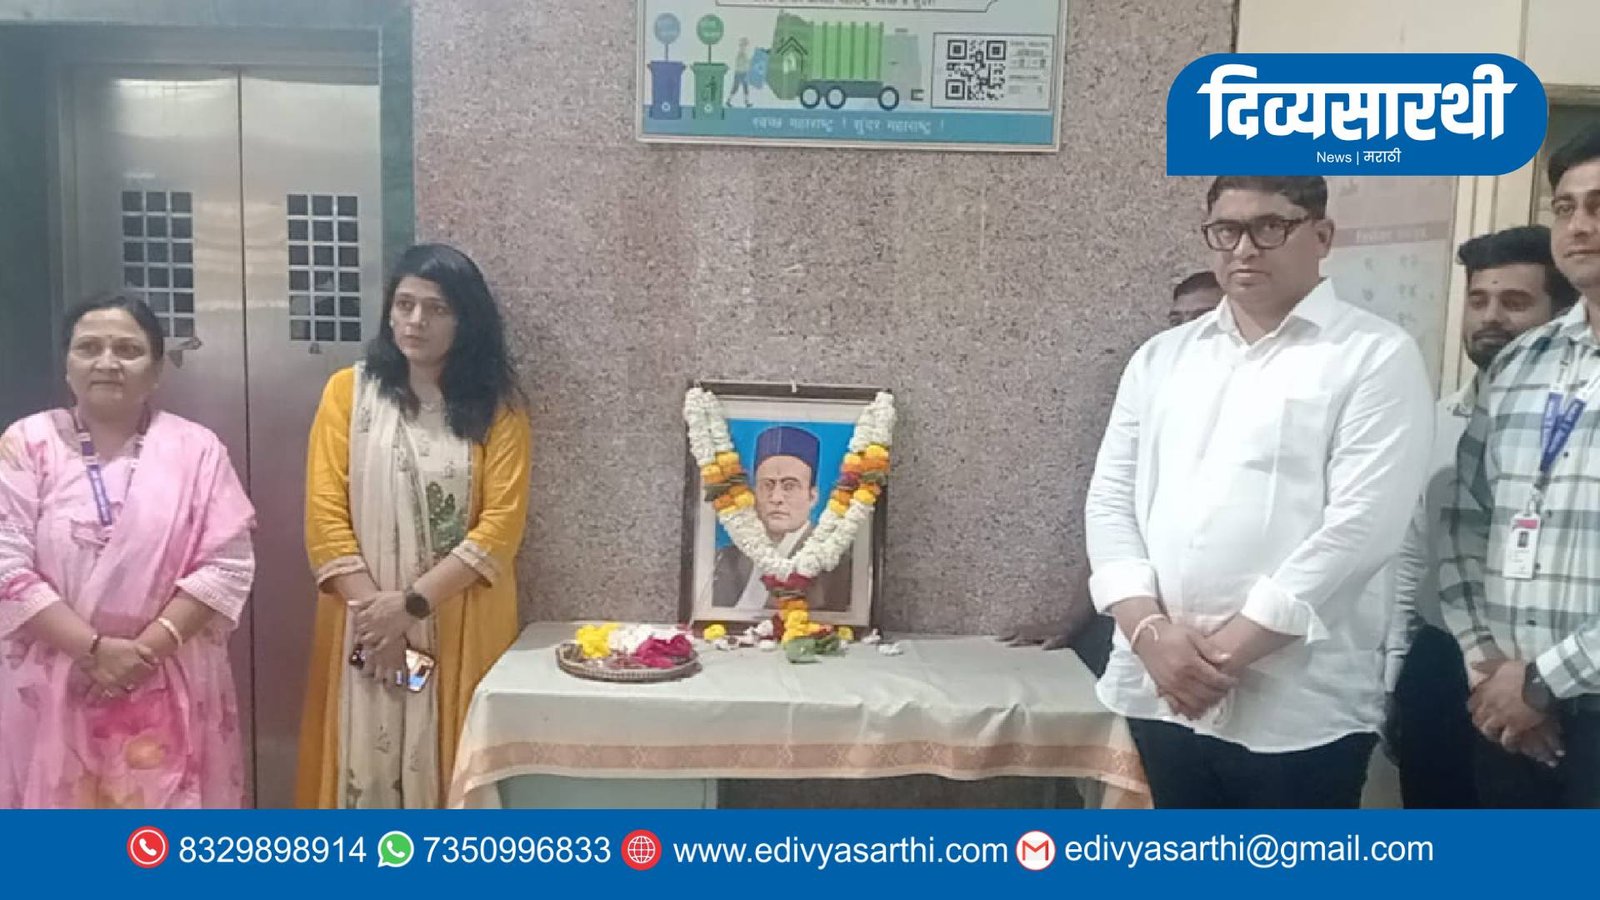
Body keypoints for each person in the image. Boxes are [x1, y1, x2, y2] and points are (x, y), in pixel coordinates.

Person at [1085, 175, 1433, 808]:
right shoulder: (1161, 359)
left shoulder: (1374, 356)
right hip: (1160, 688)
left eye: (1270, 227)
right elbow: (1110, 500)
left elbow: (1362, 530)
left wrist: (1219, 658)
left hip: (1296, 703)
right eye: (1227, 230)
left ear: (1322, 236)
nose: (1244, 248)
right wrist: (1149, 634)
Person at [296, 243, 531, 809]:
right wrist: (378, 622)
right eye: (404, 305)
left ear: (466, 320)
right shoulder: (348, 393)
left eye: (436, 308)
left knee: (453, 771)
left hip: (458, 619)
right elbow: (325, 517)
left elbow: (500, 527)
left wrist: (409, 607)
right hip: (363, 626)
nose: (415, 321)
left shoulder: (498, 409)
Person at [0, 292, 256, 808]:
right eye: (89, 348)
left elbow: (226, 564)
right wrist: (94, 650)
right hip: (51, 684)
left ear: (156, 370)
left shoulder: (197, 450)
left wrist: (143, 654)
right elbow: (6, 563)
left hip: (169, 674)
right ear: (67, 365)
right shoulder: (27, 443)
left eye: (128, 349)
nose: (108, 362)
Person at [1386, 225, 1576, 808]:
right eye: (1478, 301)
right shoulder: (1437, 419)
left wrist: (1533, 684)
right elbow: (1412, 555)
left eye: (1514, 302)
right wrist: (1392, 676)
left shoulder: (1580, 421)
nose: (1490, 318)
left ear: (1561, 315)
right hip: (1445, 665)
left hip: (1560, 673)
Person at [1440, 126, 1600, 807]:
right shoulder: (1521, 363)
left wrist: (1542, 681)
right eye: (1565, 208)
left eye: (1598, 205)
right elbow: (1464, 524)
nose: (1579, 225)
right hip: (1506, 714)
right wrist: (1490, 669)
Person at [712, 424, 852, 612]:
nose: (776, 498)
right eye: (767, 485)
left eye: (789, 486)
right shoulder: (727, 558)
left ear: (812, 497)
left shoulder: (835, 563)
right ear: (753, 494)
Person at [728, 38, 753, 108]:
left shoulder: (743, 52)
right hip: (740, 72)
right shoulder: (742, 52)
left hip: (741, 72)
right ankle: (729, 101)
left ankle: (746, 102)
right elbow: (743, 62)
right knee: (738, 87)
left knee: (743, 87)